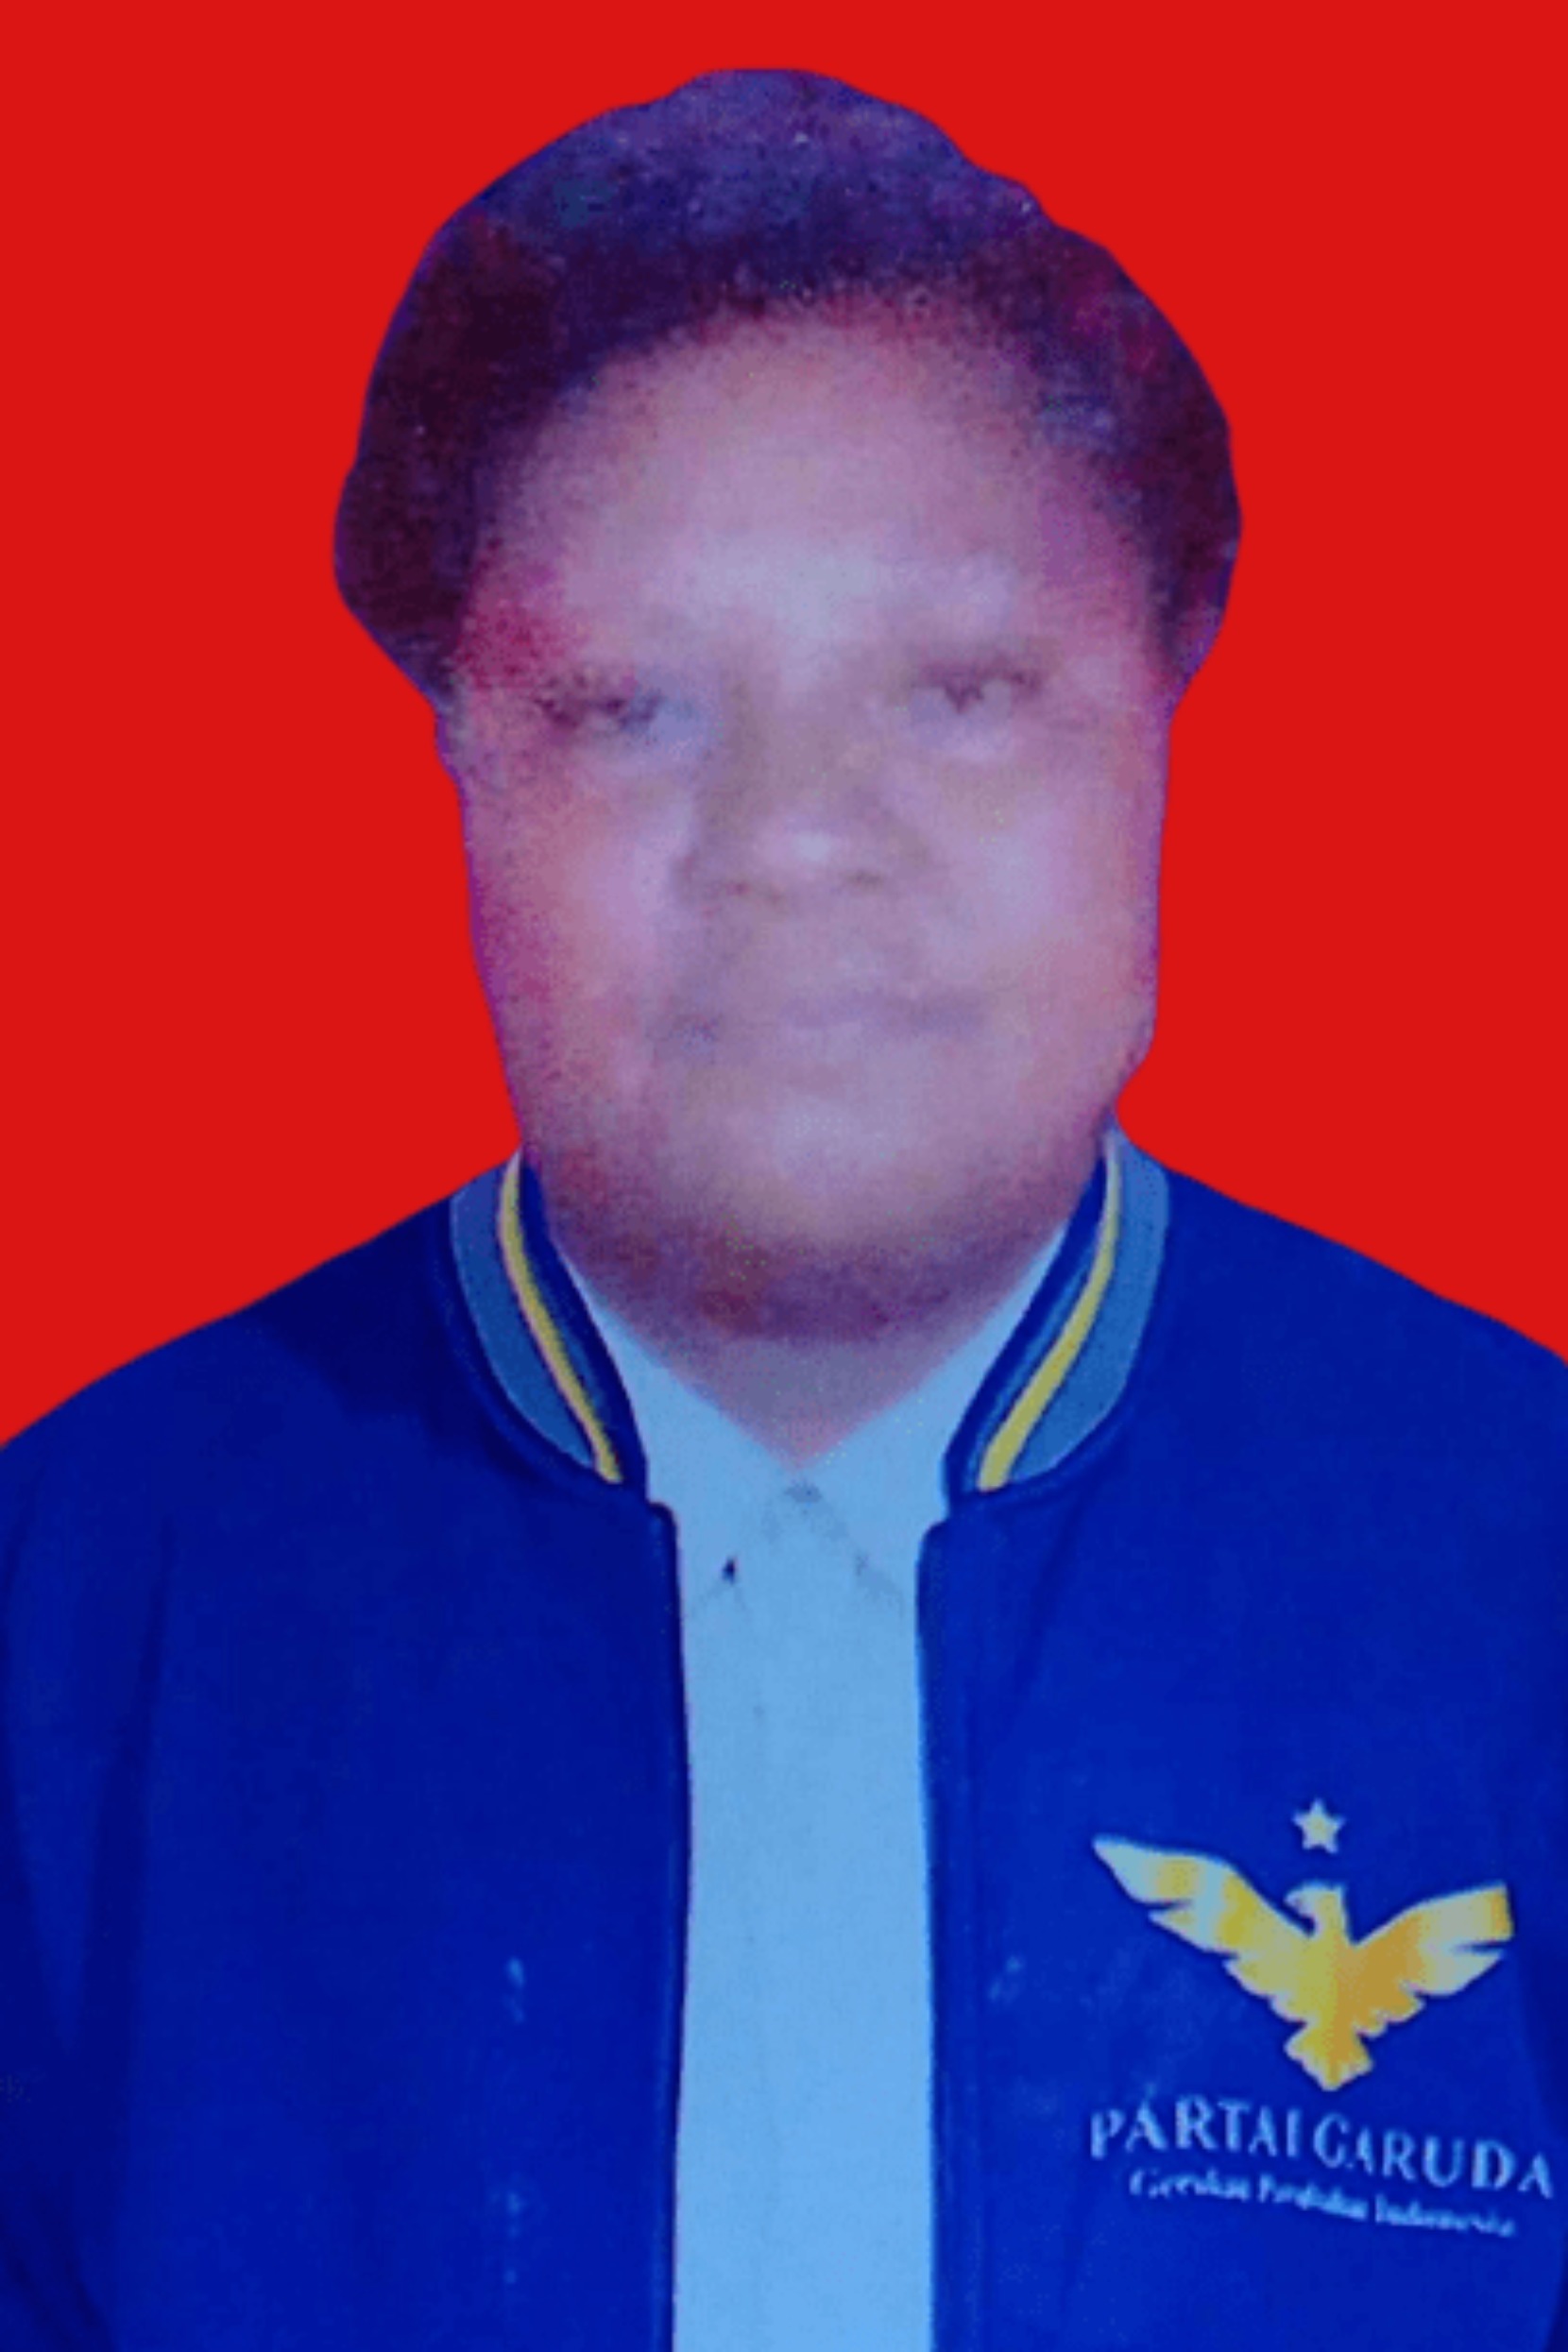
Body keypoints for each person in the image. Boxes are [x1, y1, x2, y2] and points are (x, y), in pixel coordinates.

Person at [2, 66, 1564, 2352]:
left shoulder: (1515, 1560)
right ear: (455, 744)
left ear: (1167, 694)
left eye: (959, 690)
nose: (795, 841)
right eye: (630, 708)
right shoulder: (74, 1614)